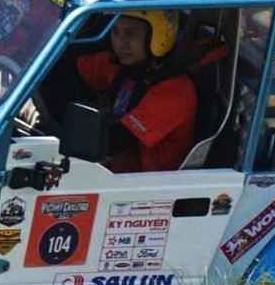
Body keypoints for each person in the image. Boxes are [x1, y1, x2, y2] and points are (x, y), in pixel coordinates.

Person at [73, 10, 197, 173]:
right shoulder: (124, 65)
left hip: (145, 187)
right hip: (112, 175)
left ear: (158, 37)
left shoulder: (175, 91)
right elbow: (71, 68)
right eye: (115, 32)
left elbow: (116, 140)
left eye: (130, 34)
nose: (120, 43)